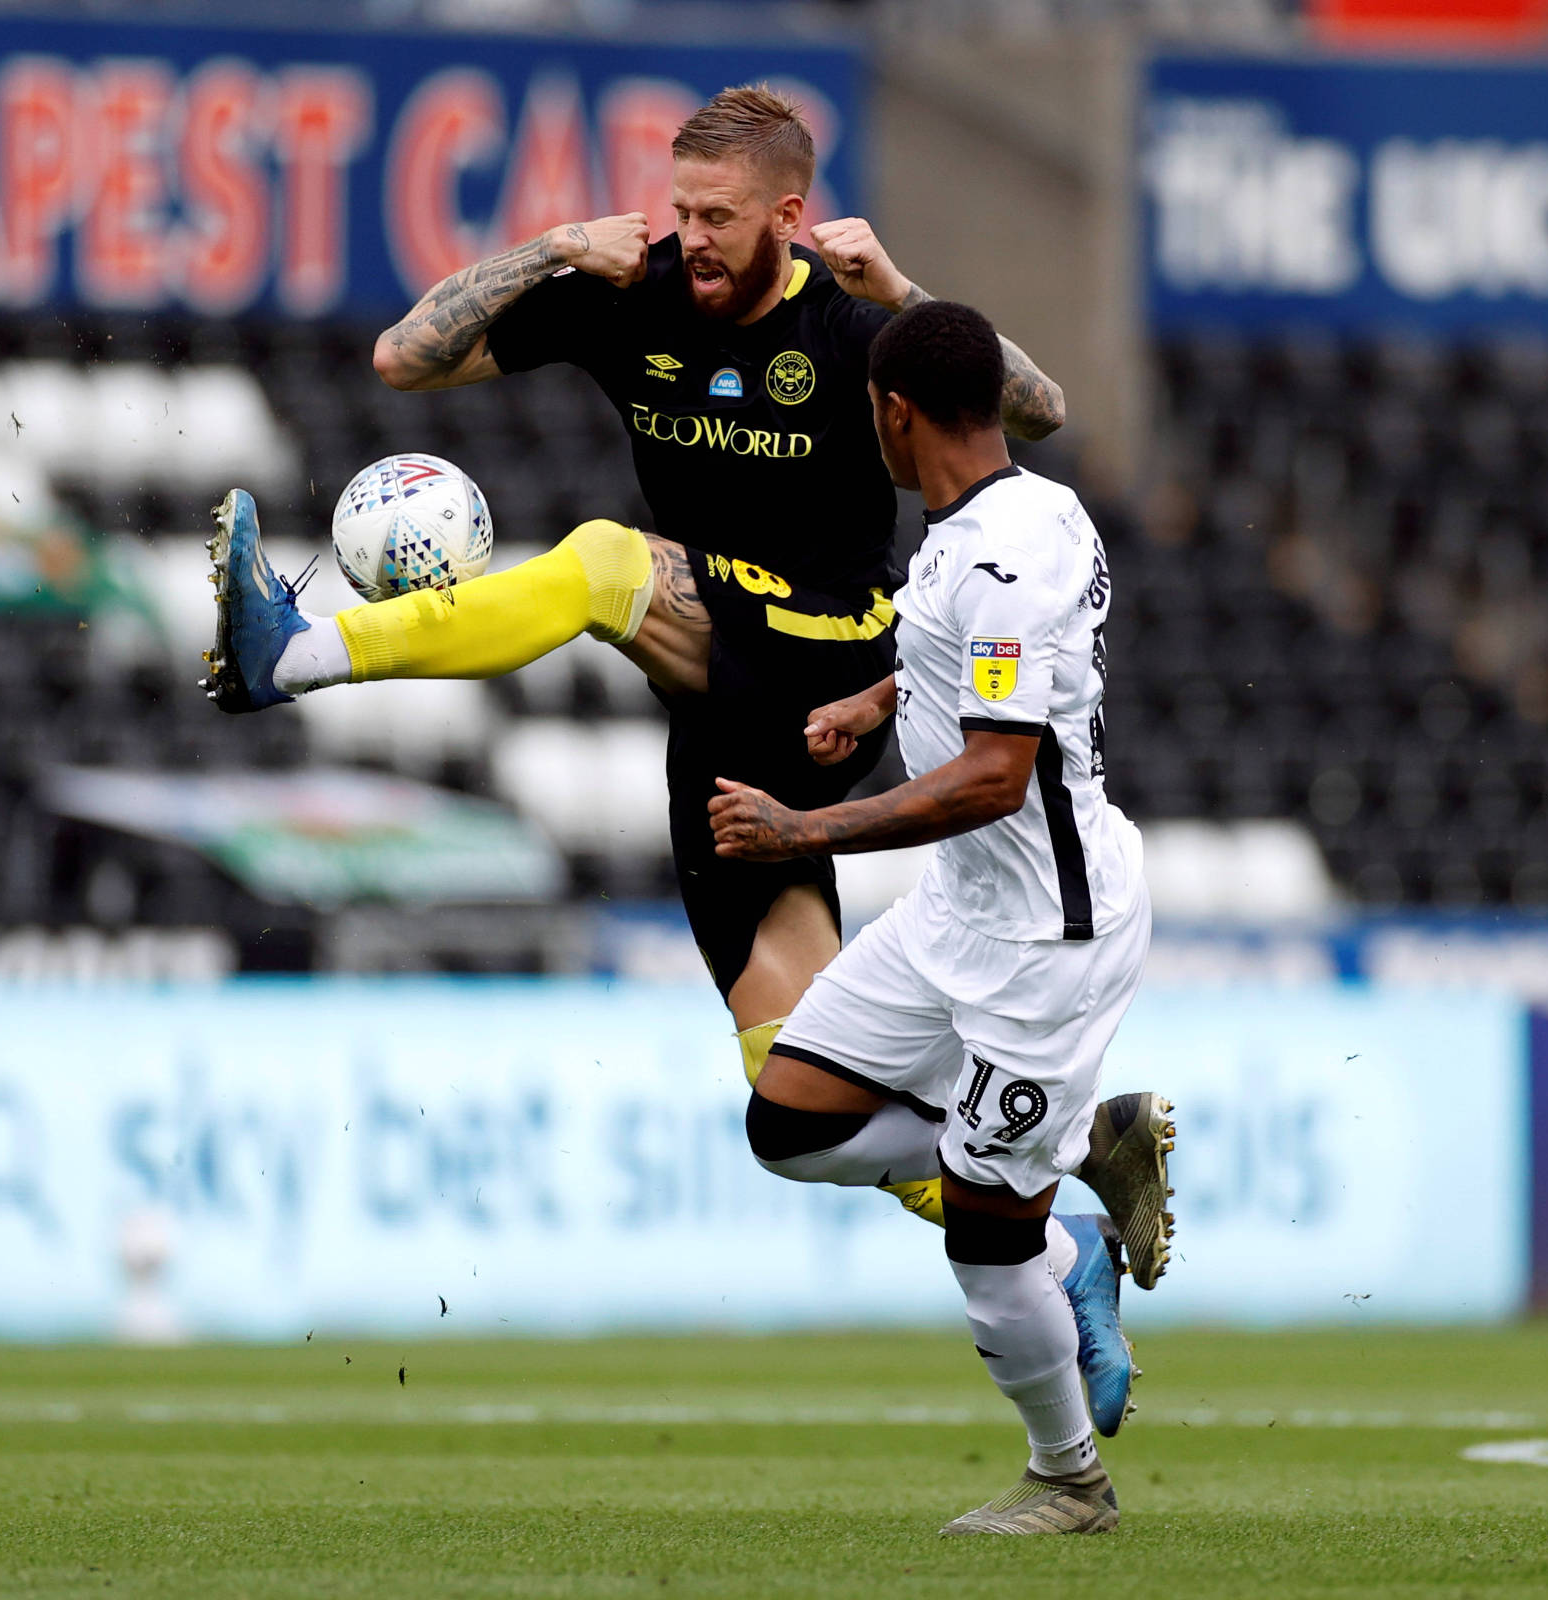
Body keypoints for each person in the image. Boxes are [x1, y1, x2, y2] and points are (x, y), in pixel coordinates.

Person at [200, 84, 1067, 1229]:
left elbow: (1040, 412)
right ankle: (1066, 1241)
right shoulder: (639, 296)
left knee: (606, 562)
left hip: (832, 648)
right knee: (801, 1090)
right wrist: (551, 248)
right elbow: (404, 358)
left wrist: (906, 295)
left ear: (789, 216)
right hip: (728, 718)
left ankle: (296, 656)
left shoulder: (857, 327)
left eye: (719, 216)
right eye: (681, 210)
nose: (692, 237)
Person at [711, 300, 1169, 1535]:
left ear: (894, 411)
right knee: (789, 1121)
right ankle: (1077, 1170)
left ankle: (1068, 1477)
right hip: (955, 913)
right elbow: (971, 657)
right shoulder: (1013, 511)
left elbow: (994, 774)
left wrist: (803, 829)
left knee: (982, 1229)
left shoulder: (998, 556)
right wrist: (877, 699)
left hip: (1043, 940)